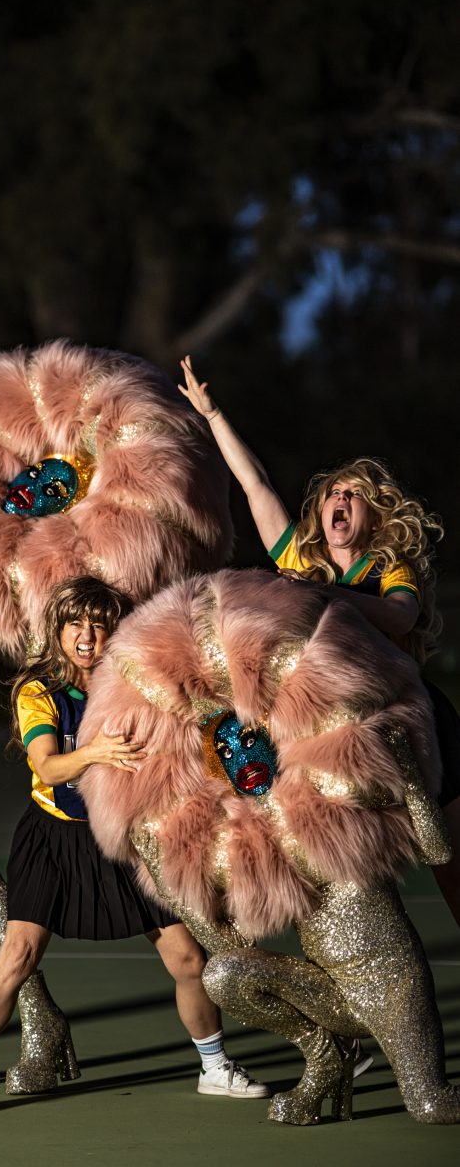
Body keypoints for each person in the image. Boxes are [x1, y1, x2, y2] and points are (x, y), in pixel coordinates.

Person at [0, 576, 269, 1118]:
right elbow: (47, 764)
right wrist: (96, 751)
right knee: (18, 955)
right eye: (74, 624)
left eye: (98, 623)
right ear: (57, 630)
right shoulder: (38, 692)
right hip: (55, 838)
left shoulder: (134, 683)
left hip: (125, 836)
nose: (86, 635)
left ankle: (214, 1066)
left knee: (187, 958)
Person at [177, 356, 460, 930]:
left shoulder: (386, 567)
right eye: (334, 491)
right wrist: (213, 415)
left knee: (451, 863)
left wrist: (325, 597)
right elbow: (254, 484)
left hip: (412, 725)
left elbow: (402, 617)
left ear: (371, 515)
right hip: (333, 734)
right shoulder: (301, 562)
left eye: (355, 494)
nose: (342, 498)